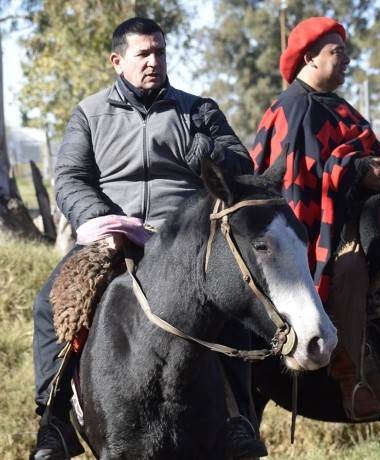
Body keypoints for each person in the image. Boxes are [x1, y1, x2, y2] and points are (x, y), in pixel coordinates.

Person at [30, 18, 267, 460]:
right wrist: (104, 221)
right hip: (113, 235)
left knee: (234, 302)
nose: (154, 61)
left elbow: (243, 166)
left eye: (159, 51)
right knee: (49, 305)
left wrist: (203, 148)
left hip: (189, 241)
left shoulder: (199, 110)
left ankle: (237, 419)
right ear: (118, 61)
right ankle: (55, 421)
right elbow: (70, 178)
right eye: (143, 54)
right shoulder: (89, 113)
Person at [250, 16, 380, 421]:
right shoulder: (291, 110)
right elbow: (293, 190)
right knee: (350, 269)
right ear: (311, 57)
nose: (347, 59)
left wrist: (373, 169)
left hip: (354, 214)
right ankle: (354, 378)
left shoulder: (341, 108)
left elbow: (363, 153)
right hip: (306, 231)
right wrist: (354, 170)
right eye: (338, 51)